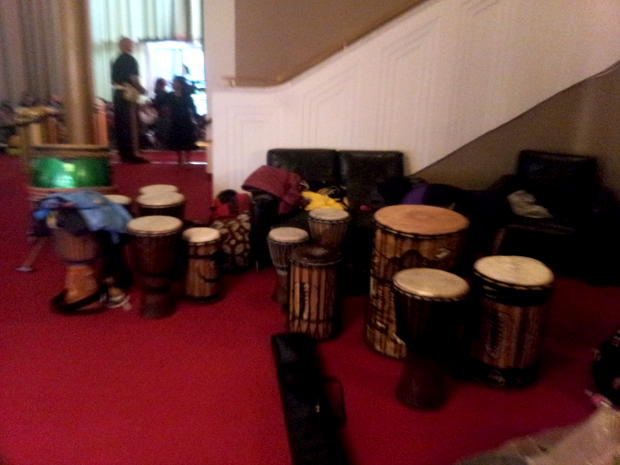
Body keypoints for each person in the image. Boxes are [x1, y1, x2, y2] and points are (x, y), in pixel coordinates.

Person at [111, 37, 148, 163]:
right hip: (127, 95)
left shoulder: (116, 61)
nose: (132, 46)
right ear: (125, 46)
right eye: (130, 44)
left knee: (121, 124)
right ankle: (132, 154)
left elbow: (113, 80)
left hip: (117, 94)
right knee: (131, 124)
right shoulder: (130, 60)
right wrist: (141, 89)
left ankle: (124, 154)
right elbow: (133, 78)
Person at [167, 76, 198, 165]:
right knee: (177, 141)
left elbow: (192, 108)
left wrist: (195, 118)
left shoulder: (187, 96)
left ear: (180, 84)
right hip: (175, 120)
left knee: (187, 141)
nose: (173, 84)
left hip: (185, 120)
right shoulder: (170, 95)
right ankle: (180, 159)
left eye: (175, 82)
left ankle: (188, 160)